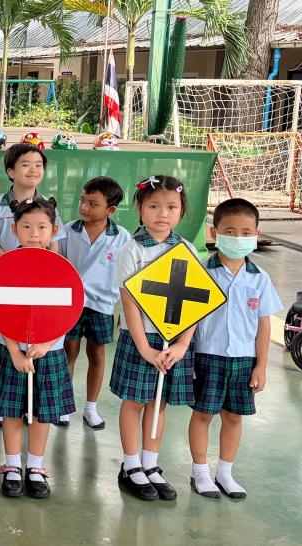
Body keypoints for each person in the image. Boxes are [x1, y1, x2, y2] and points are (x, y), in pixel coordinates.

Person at [187, 198, 281, 499]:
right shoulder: (202, 272)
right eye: (230, 231)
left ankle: (225, 472)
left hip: (244, 360)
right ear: (214, 233)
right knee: (203, 413)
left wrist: (261, 366)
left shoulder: (260, 279)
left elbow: (264, 325)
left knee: (233, 416)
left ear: (256, 234)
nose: (238, 238)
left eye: (246, 232)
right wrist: (188, 359)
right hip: (207, 355)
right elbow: (189, 320)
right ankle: (200, 472)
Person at [112, 175, 197, 502]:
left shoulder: (187, 249)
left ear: (181, 211)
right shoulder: (132, 250)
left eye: (172, 207)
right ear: (140, 209)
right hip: (141, 340)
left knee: (158, 403)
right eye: (154, 206)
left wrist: (183, 344)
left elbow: (196, 301)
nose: (163, 213)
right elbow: (129, 303)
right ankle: (131, 465)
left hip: (172, 341)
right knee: (134, 402)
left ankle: (150, 464)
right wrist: (145, 348)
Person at [0, 197, 75, 499]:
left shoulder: (61, 268)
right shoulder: (5, 266)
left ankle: (36, 467)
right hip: (12, 351)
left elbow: (68, 311)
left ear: (54, 230)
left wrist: (45, 343)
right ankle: (12, 465)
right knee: (12, 411)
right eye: (26, 227)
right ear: (14, 230)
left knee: (42, 413)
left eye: (42, 227)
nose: (34, 233)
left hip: (49, 352)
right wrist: (14, 350)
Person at [0, 143, 65, 427]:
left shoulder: (50, 207)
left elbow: (55, 246)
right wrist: (14, 267)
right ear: (10, 171)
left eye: (38, 165)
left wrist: (40, 266)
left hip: (40, 284)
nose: (33, 170)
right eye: (25, 164)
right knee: (1, 340)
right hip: (8, 284)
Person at [59, 177, 132, 428]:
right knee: (68, 351)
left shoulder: (122, 237)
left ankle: (91, 407)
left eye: (92, 204)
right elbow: (59, 264)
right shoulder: (68, 230)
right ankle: (63, 405)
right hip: (71, 303)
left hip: (102, 306)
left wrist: (124, 312)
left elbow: (127, 277)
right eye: (82, 201)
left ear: (110, 210)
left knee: (97, 355)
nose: (84, 207)